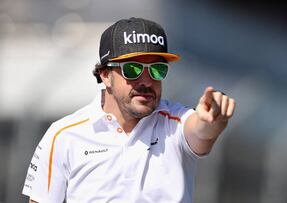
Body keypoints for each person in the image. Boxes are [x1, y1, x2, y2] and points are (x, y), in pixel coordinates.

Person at [22, 17, 235, 203]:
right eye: (132, 69)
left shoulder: (176, 122)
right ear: (105, 75)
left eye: (157, 69)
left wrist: (213, 120)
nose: (147, 81)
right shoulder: (64, 135)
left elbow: (200, 130)